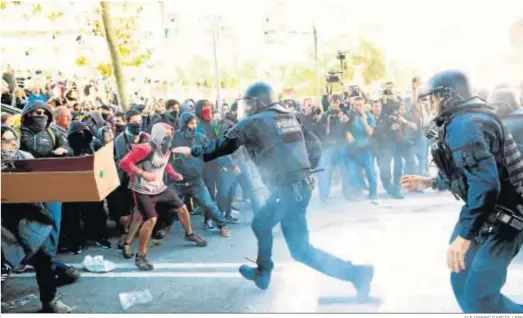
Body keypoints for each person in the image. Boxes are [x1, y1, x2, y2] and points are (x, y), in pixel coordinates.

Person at [172, 82, 374, 298]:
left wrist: (192, 150)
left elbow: (222, 146)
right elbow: (314, 145)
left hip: (287, 189)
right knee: (301, 250)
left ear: (259, 102)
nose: (247, 108)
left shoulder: (253, 121)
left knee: (261, 224)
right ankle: (357, 274)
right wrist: (303, 170)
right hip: (301, 187)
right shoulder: (288, 116)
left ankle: (263, 273)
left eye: (249, 103)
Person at [401, 70, 523, 313]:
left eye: (434, 98)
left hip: (507, 219)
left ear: (449, 96)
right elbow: (471, 175)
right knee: (464, 282)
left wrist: (465, 236)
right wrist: (430, 182)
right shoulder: (469, 118)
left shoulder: (464, 124)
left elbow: (486, 186)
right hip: (491, 214)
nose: (431, 105)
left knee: (478, 295)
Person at [1, 125, 73, 312]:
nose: (12, 143)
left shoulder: (26, 158)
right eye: (5, 140)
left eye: (13, 139)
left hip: (29, 217)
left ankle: (50, 301)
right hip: (3, 222)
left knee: (43, 258)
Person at [119, 123, 207, 270]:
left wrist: (173, 174)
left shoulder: (165, 149)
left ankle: (189, 234)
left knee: (182, 208)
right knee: (149, 219)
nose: (169, 139)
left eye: (170, 136)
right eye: (166, 136)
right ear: (158, 136)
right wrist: (142, 173)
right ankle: (140, 255)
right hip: (142, 189)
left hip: (159, 187)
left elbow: (164, 164)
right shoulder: (145, 149)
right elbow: (123, 163)